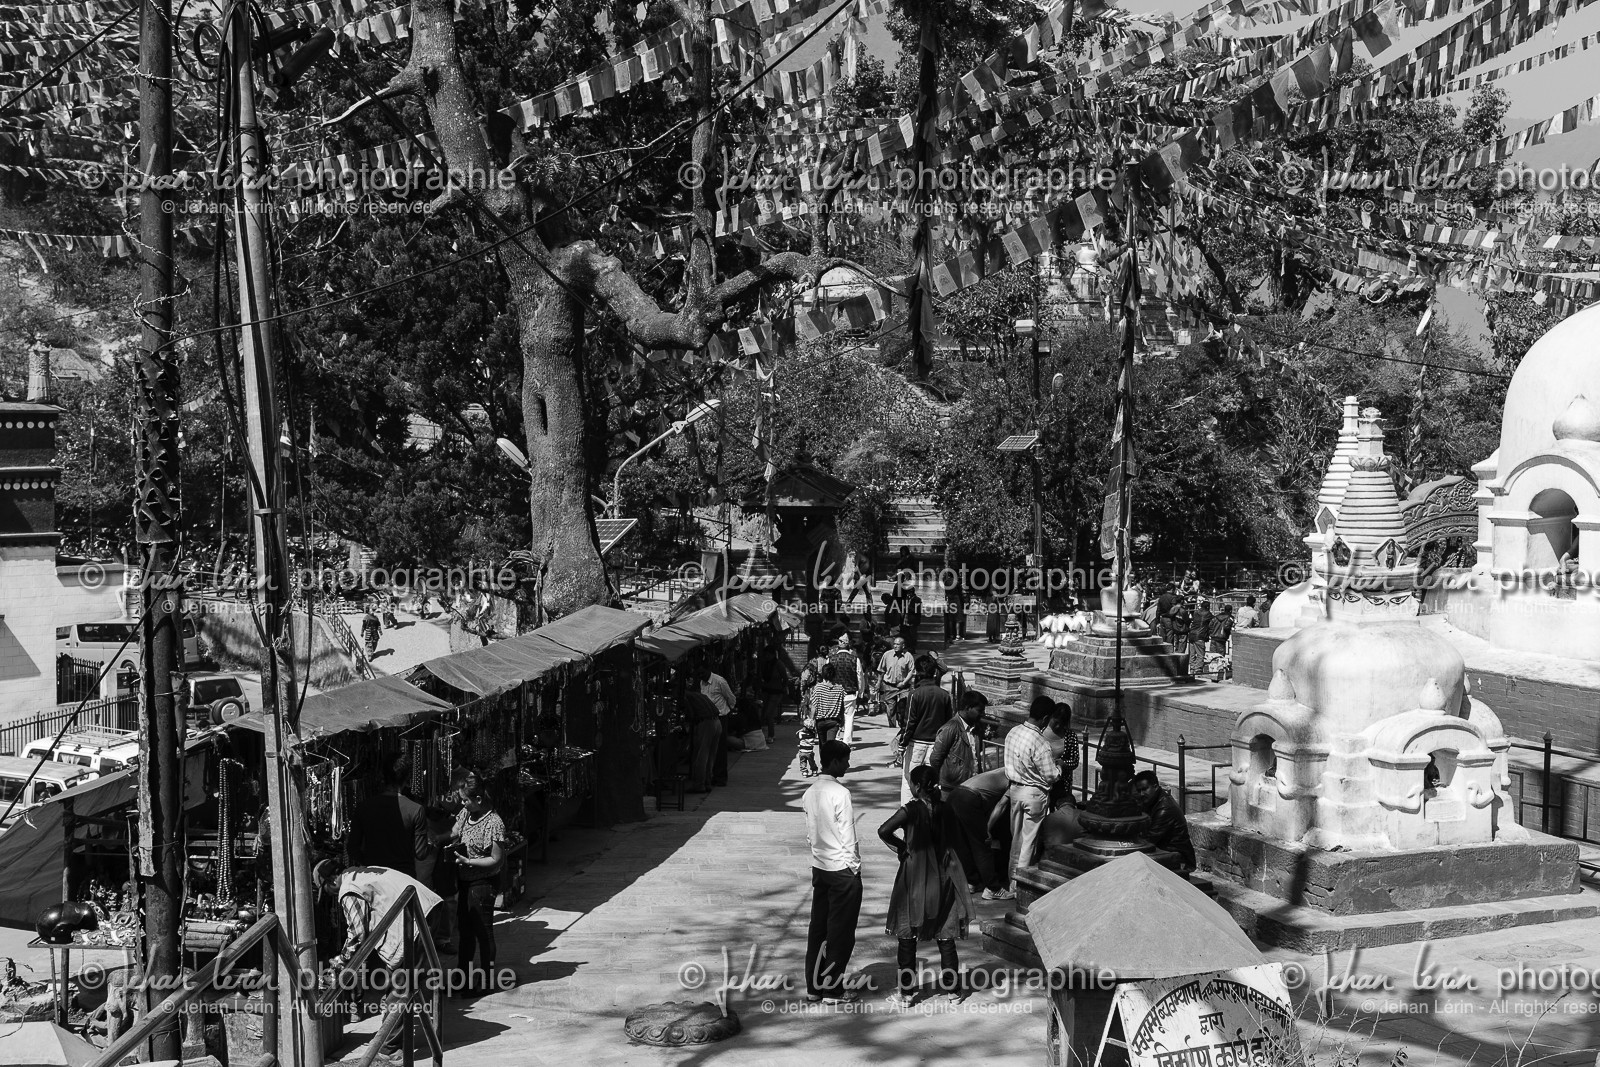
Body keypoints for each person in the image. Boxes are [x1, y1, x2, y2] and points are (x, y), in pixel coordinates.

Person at [315, 858, 444, 1053]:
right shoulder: (361, 873)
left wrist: (341, 962)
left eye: (326, 889)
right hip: (427, 908)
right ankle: (415, 1034)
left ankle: (388, 1047)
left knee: (400, 985)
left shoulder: (349, 888)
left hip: (417, 917)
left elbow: (357, 935)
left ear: (332, 880)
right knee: (404, 979)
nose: (329, 894)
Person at [878, 765, 971, 1005]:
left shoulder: (910, 810)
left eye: (911, 782)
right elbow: (959, 839)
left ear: (918, 786)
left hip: (915, 876)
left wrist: (902, 847)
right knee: (945, 933)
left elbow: (884, 830)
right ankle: (953, 991)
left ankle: (906, 993)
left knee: (907, 934)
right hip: (944, 874)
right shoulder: (946, 808)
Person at [802, 740, 862, 1002]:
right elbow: (848, 834)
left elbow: (810, 833)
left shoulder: (810, 792)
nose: (848, 765)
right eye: (846, 760)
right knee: (840, 931)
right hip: (841, 869)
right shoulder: (840, 793)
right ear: (835, 761)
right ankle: (833, 989)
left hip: (820, 866)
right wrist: (855, 867)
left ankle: (814, 987)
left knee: (819, 928)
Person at [443, 782, 507, 991]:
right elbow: (454, 832)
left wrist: (469, 861)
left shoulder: (495, 823)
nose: (462, 804)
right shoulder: (465, 814)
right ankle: (463, 977)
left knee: (483, 930)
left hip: (483, 882)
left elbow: (496, 860)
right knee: (466, 931)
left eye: (465, 800)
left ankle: (486, 980)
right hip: (464, 880)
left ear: (478, 799)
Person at [1003, 696, 1063, 891]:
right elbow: (1051, 775)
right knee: (1028, 843)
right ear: (1045, 719)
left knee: (1016, 840)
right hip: (1033, 794)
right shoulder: (1040, 742)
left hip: (1015, 790)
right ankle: (1020, 885)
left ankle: (1012, 882)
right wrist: (1059, 768)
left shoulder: (1013, 732)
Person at [347, 757, 433, 881]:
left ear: (383, 777)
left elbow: (352, 848)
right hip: (403, 881)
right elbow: (420, 853)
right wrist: (430, 845)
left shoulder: (363, 807)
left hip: (374, 878)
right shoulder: (415, 809)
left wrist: (369, 863)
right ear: (407, 778)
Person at [895, 656, 952, 805]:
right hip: (936, 745)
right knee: (933, 782)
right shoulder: (944, 695)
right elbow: (948, 724)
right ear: (934, 673)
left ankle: (907, 815)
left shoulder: (915, 694)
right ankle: (931, 812)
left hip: (916, 745)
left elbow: (909, 723)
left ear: (917, 672)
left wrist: (902, 745)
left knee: (909, 781)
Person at [948, 767, 1012, 899]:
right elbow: (1001, 805)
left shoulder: (1003, 770)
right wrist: (987, 828)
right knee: (981, 845)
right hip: (969, 798)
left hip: (956, 794)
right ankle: (993, 888)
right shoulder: (1017, 777)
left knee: (963, 844)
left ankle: (971, 881)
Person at [1132, 771, 1197, 871]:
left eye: (1145, 789)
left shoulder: (1165, 808)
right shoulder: (1150, 801)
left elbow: (1149, 839)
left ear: (1155, 786)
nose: (1142, 794)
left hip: (1177, 855)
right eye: (1139, 790)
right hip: (1162, 849)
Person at [928, 690, 986, 798]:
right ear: (968, 708)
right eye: (980, 710)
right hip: (951, 789)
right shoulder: (949, 729)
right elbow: (935, 759)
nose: (982, 714)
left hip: (972, 786)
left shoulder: (976, 729)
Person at [684, 679, 723, 793]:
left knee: (702, 755)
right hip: (717, 722)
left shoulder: (686, 697)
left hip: (707, 723)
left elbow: (690, 714)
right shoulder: (700, 695)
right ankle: (707, 782)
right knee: (710, 755)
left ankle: (699, 784)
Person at [701, 664, 737, 786]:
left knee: (720, 748)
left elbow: (731, 698)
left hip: (721, 717)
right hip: (707, 719)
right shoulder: (701, 682)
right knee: (707, 748)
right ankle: (707, 776)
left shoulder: (719, 681)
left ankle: (720, 777)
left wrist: (727, 710)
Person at [828, 632, 864, 744]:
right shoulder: (855, 659)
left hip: (834, 693)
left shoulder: (831, 659)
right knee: (849, 717)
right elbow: (860, 677)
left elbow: (827, 676)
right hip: (850, 693)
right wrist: (861, 691)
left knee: (834, 716)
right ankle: (847, 742)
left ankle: (834, 738)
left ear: (839, 644)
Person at [876, 636, 916, 729]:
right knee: (890, 710)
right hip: (889, 685)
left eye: (898, 644)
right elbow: (881, 670)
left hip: (903, 686)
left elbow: (911, 671)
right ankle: (892, 727)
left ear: (903, 645)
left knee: (903, 706)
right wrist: (878, 683)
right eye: (894, 644)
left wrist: (904, 682)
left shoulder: (908, 656)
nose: (895, 646)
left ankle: (902, 725)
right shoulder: (887, 655)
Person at [757, 647, 792, 746]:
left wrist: (783, 688)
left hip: (776, 692)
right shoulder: (764, 664)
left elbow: (785, 678)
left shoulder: (779, 664)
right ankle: (760, 734)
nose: (766, 656)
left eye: (768, 654)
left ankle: (771, 735)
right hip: (766, 691)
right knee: (763, 713)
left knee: (769, 713)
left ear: (772, 654)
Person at [808, 662, 848, 746]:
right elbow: (841, 707)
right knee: (830, 745)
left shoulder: (818, 688)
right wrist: (842, 719)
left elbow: (814, 706)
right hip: (834, 722)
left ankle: (823, 759)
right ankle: (830, 758)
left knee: (822, 745)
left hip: (820, 722)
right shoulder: (840, 689)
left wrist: (811, 719)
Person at [1187, 598, 1214, 676]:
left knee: (1192, 654)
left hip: (1192, 635)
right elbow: (1214, 620)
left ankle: (1192, 669)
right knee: (1200, 654)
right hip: (1200, 636)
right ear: (1208, 607)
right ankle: (1198, 670)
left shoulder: (1196, 613)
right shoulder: (1208, 614)